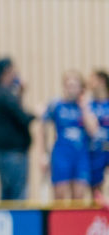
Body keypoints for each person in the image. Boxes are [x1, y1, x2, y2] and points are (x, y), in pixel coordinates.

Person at [42, 70, 98, 202]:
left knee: (79, 196)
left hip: (80, 155)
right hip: (61, 154)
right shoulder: (56, 105)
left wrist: (84, 107)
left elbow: (93, 131)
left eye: (75, 86)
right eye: (68, 85)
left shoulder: (86, 106)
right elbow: (42, 126)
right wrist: (43, 153)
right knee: (60, 195)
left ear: (80, 88)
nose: (71, 89)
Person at [0, 57, 35, 201]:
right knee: (18, 195)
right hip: (14, 152)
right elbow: (22, 117)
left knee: (7, 194)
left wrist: (19, 93)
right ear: (7, 72)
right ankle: (17, 224)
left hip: (1, 151)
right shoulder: (5, 95)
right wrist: (37, 113)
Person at [87, 71, 109, 197]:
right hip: (95, 151)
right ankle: (97, 214)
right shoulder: (89, 105)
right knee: (95, 187)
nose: (90, 83)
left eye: (92, 80)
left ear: (101, 81)